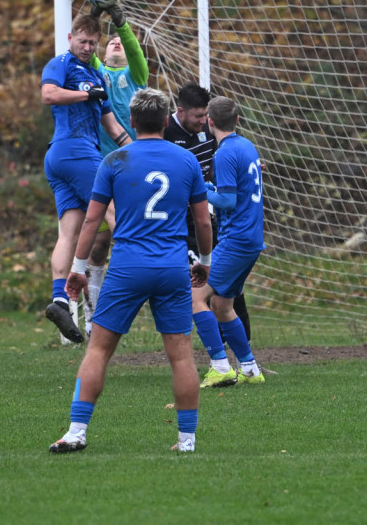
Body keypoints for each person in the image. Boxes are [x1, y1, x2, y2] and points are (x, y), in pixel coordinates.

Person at [48, 88, 213, 453]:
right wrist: (204, 262)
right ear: (167, 119)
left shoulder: (115, 160)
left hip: (127, 267)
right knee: (182, 356)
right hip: (172, 268)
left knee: (99, 350)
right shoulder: (186, 161)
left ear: (133, 122)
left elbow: (92, 220)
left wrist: (77, 268)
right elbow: (202, 221)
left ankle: (77, 431)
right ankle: (186, 440)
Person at [41, 12, 132, 344]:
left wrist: (141, 153)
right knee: (114, 208)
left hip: (66, 157)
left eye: (93, 42)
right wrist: (86, 95)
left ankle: (60, 299)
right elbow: (49, 95)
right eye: (83, 40)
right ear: (71, 38)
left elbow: (113, 127)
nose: (87, 46)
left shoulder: (97, 74)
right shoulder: (60, 63)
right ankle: (134, 272)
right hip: (74, 150)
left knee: (71, 231)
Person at [164, 82, 252, 341]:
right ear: (180, 111)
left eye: (206, 116)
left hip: (206, 219)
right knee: (197, 289)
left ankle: (242, 355)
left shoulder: (209, 133)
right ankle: (219, 354)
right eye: (197, 116)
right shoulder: (164, 132)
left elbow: (218, 169)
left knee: (233, 289)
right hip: (179, 224)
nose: (203, 121)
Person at [81, 5, 150, 338]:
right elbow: (86, 46)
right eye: (109, 42)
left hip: (135, 168)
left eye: (119, 42)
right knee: (99, 245)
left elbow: (132, 47)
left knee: (131, 235)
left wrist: (121, 21)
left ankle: (141, 295)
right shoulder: (96, 74)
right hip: (102, 168)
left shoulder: (137, 76)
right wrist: (95, 14)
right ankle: (90, 317)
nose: (116, 44)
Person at [190, 96, 266, 388]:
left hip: (236, 239)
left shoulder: (223, 154)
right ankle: (249, 368)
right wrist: (212, 189)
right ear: (238, 120)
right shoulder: (246, 146)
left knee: (194, 297)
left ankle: (220, 366)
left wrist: (200, 191)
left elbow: (228, 200)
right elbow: (235, 192)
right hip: (252, 239)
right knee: (222, 304)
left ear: (210, 123)